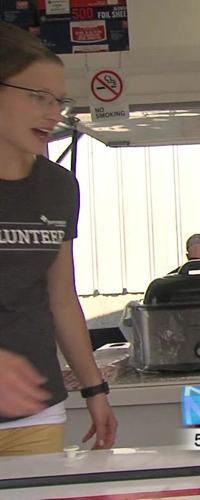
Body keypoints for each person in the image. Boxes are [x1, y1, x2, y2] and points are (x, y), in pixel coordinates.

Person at [0, 22, 117, 455]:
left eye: (59, 101)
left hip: (36, 409)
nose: (53, 112)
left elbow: (61, 297)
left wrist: (95, 389)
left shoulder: (58, 187)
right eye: (36, 97)